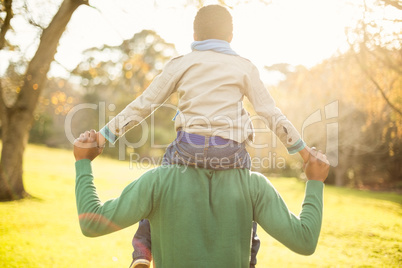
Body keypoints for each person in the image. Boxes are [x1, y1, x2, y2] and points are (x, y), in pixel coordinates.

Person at [96, 5, 311, 267]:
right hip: (230, 152)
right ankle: (248, 259)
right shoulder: (244, 67)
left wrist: (105, 135)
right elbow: (270, 113)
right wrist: (303, 151)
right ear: (231, 36)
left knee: (157, 189)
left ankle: (142, 253)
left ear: (195, 36)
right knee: (248, 199)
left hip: (189, 147)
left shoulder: (181, 64)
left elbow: (145, 104)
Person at [74, 130, 330, 268]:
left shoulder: (158, 181)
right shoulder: (253, 186)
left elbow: (92, 224)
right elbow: (305, 241)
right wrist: (315, 181)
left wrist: (83, 162)